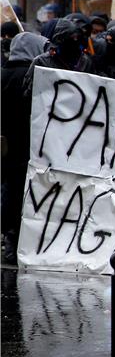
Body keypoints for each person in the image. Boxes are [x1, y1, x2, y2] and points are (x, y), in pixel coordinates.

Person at [1, 32, 49, 264]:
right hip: (29, 143)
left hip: (7, 144)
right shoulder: (35, 76)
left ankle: (9, 238)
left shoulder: (3, 74)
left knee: (9, 190)